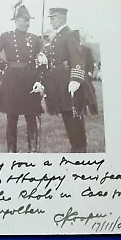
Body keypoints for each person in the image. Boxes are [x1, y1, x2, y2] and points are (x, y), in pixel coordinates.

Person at [0, 1, 45, 153]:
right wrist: (5, 66)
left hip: (30, 81)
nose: (27, 23)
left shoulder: (36, 39)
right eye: (24, 20)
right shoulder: (6, 37)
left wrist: (39, 80)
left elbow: (41, 63)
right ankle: (11, 153)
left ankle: (33, 152)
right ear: (16, 21)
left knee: (32, 117)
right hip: (12, 81)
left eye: (29, 20)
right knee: (12, 118)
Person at [42, 8, 87, 153]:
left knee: (73, 116)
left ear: (61, 18)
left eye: (53, 18)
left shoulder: (69, 34)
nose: (51, 21)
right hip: (58, 81)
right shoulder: (58, 36)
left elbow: (76, 57)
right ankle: (75, 146)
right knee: (66, 114)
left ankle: (79, 148)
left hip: (68, 80)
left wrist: (75, 78)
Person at [74, 30, 98, 115]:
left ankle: (94, 111)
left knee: (90, 93)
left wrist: (90, 71)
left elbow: (90, 61)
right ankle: (82, 112)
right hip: (75, 75)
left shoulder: (86, 49)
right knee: (79, 94)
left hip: (85, 74)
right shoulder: (71, 50)